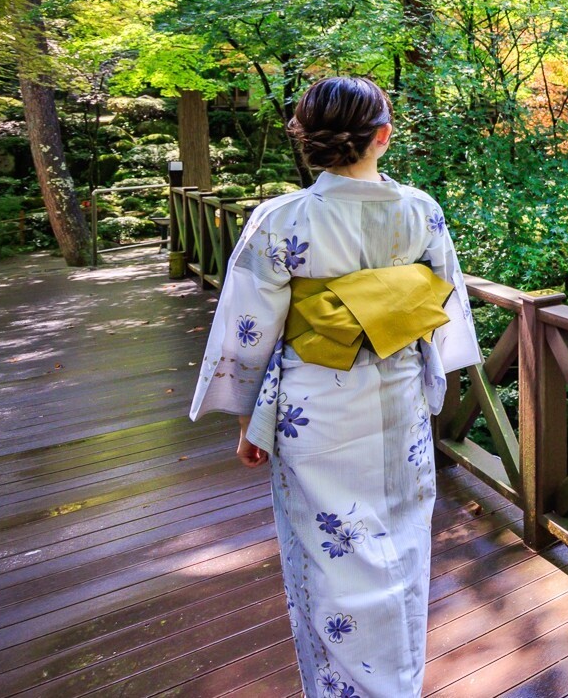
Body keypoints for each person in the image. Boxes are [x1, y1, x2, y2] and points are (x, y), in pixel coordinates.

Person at [187, 76, 481, 698]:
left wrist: (248, 419)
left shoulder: (282, 219)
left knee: (331, 556)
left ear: (308, 140)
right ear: (383, 135)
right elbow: (445, 310)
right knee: (400, 550)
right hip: (397, 399)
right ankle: (398, 683)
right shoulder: (420, 210)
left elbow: (248, 332)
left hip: (315, 408)